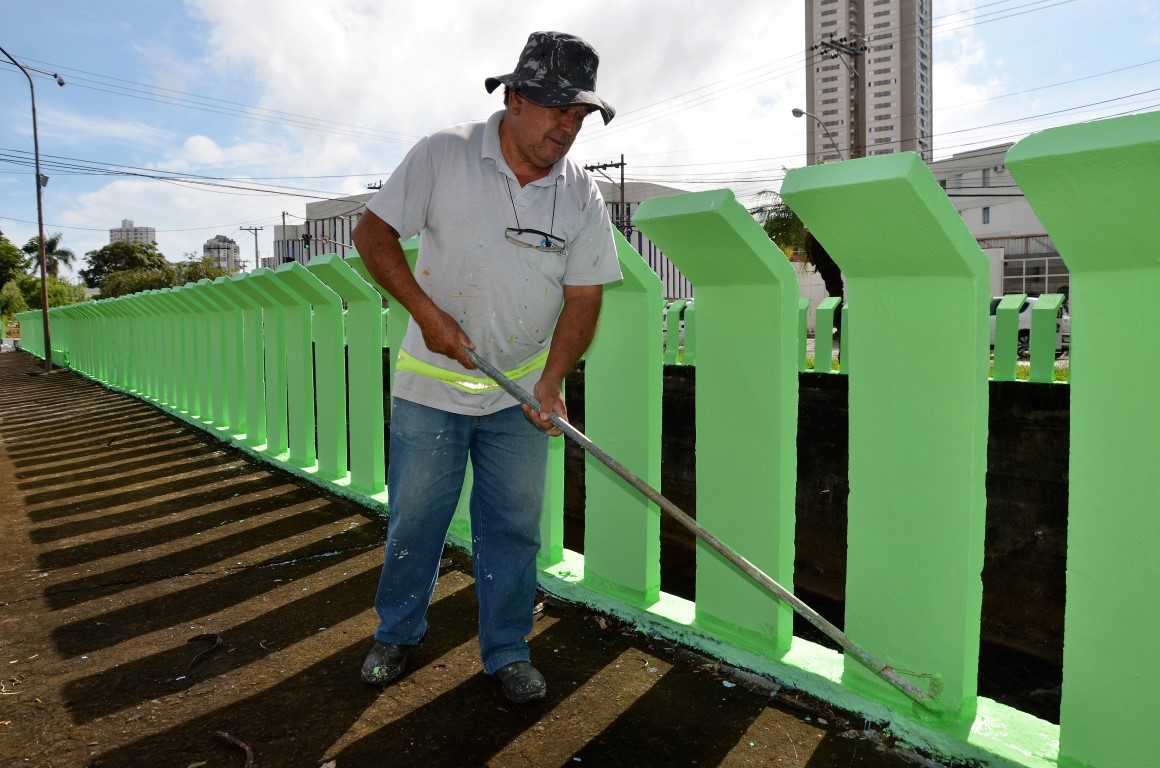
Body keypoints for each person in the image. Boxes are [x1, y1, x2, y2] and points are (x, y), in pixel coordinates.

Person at [352, 31, 622, 704]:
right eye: (557, 108)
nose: (568, 125)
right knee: (417, 520)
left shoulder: (581, 193)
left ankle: (506, 652)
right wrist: (426, 311)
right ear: (513, 98)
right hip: (431, 388)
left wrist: (551, 381)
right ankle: (397, 632)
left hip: (518, 397)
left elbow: (584, 297)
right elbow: (372, 234)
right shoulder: (444, 154)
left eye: (580, 114)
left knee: (513, 529)